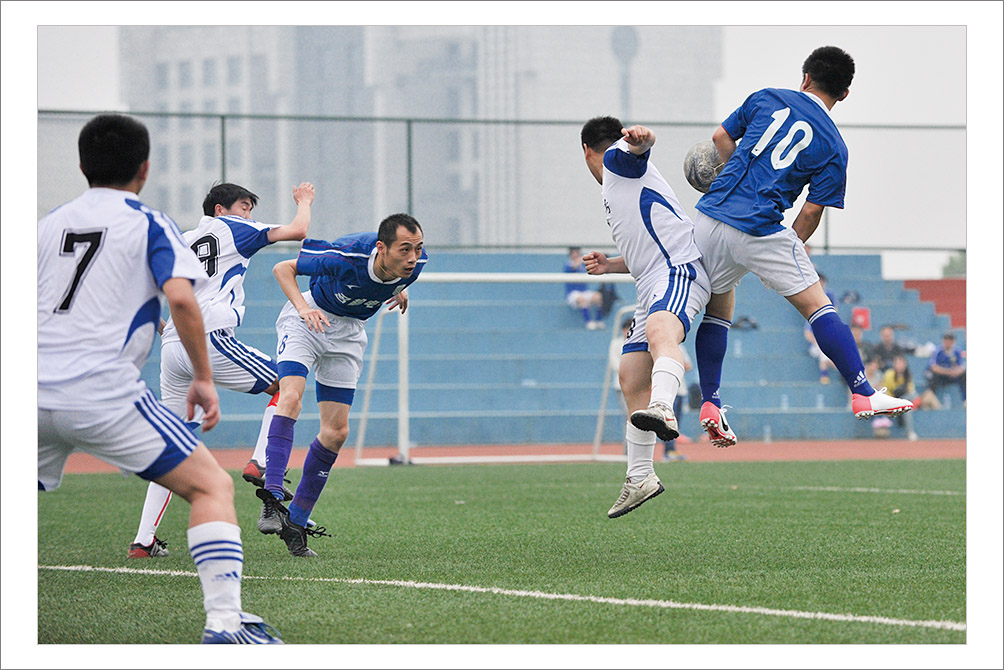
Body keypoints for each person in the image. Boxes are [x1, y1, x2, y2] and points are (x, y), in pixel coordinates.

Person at [37, 114, 282, 643]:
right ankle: (224, 625)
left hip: (31, 390)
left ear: (81, 166)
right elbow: (181, 299)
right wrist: (204, 377)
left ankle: (146, 539)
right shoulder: (151, 223)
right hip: (103, 391)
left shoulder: (47, 224)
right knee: (212, 485)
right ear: (144, 169)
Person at [689, 45, 914, 434]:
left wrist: (736, 176)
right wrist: (779, 253)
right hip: (760, 226)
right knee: (818, 306)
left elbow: (721, 136)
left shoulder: (765, 97)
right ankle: (862, 391)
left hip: (710, 215)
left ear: (806, 77)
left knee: (718, 308)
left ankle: (710, 401)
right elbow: (810, 212)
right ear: (844, 93)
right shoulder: (835, 146)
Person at [127, 180, 323, 559]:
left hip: (173, 345)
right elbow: (299, 230)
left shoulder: (182, 239)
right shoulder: (234, 228)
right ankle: (261, 462)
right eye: (244, 205)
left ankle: (143, 540)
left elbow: (142, 290)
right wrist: (304, 200)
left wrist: (166, 329)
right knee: (287, 386)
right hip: (209, 336)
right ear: (220, 210)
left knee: (173, 447)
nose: (248, 213)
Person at [255, 214, 428, 556]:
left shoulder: (416, 265)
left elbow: (392, 277)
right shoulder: (346, 256)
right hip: (308, 321)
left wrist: (399, 289)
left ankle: (296, 524)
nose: (413, 257)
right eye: (405, 249)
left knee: (336, 432)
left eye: (418, 248)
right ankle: (272, 498)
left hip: (348, 334)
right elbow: (282, 269)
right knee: (291, 397)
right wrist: (303, 309)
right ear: (381, 248)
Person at [580, 117, 714, 519]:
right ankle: (640, 476)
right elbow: (645, 247)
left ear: (587, 151)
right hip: (651, 281)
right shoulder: (617, 187)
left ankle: (663, 406)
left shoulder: (616, 160)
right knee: (631, 376)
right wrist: (611, 264)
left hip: (677, 271)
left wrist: (643, 138)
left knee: (659, 333)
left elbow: (639, 149)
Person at [564, 246, 606, 329]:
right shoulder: (567, 265)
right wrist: (578, 263)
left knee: (598, 297)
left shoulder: (583, 265)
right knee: (582, 300)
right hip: (573, 293)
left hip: (584, 291)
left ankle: (599, 321)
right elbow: (572, 268)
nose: (575, 255)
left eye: (577, 253)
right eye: (573, 253)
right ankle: (588, 322)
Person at [922, 332, 966, 408]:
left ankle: (965, 400)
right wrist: (948, 371)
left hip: (952, 377)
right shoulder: (937, 351)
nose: (948, 342)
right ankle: (930, 400)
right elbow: (933, 367)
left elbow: (961, 367)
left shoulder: (957, 351)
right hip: (940, 376)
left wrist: (955, 372)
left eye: (950, 340)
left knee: (964, 376)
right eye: (946, 340)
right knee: (931, 376)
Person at [882, 354, 920, 440]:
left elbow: (911, 391)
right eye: (898, 363)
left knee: (909, 402)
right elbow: (885, 390)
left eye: (902, 363)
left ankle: (910, 432)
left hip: (904, 400)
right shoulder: (889, 374)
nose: (900, 365)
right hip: (891, 400)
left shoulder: (908, 375)